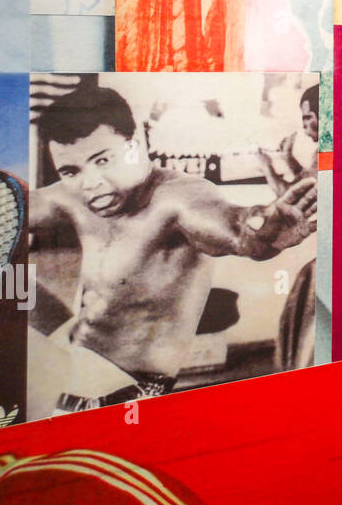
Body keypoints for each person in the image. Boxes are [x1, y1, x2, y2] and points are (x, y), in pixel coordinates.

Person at [28, 81, 316, 412]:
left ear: (134, 144)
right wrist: (56, 334)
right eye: (71, 171)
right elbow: (2, 209)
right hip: (71, 373)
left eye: (103, 160)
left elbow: (235, 230)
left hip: (127, 394)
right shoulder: (72, 197)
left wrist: (259, 231)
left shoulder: (176, 197)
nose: (91, 182)